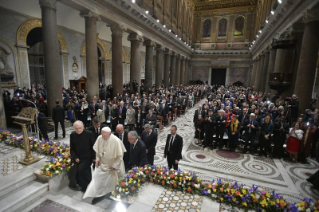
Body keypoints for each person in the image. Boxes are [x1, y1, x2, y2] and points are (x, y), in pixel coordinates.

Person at [83, 127, 126, 200]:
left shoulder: (116, 140)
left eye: (104, 135)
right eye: (102, 135)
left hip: (112, 165)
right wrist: (97, 160)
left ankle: (114, 194)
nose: (103, 137)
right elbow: (98, 151)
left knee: (115, 182)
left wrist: (115, 165)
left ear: (110, 134)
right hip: (102, 164)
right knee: (96, 178)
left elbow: (120, 156)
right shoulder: (100, 138)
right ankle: (97, 193)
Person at [70, 121, 95, 192]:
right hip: (78, 157)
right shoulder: (72, 135)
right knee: (86, 172)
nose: (78, 130)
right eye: (76, 128)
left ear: (83, 127)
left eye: (80, 128)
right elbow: (72, 148)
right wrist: (75, 157)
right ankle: (87, 187)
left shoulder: (89, 134)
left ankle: (85, 186)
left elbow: (93, 146)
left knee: (81, 170)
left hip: (88, 157)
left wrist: (94, 157)